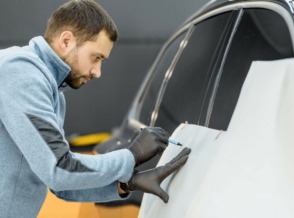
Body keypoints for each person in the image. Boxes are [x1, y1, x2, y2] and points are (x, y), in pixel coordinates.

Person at [0, 0, 191, 217]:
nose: (97, 72)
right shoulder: (21, 73)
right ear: (66, 40)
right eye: (96, 57)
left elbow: (61, 185)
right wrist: (131, 155)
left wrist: (126, 184)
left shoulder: (51, 92)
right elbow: (59, 169)